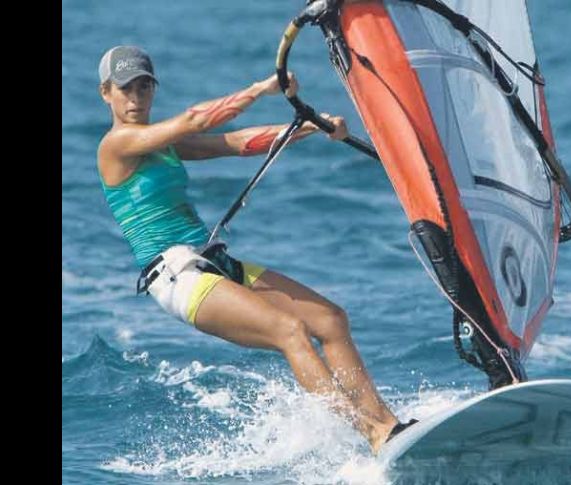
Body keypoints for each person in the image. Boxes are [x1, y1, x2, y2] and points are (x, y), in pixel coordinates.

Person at [97, 45, 415, 452]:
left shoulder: (161, 143)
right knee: (290, 330)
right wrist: (261, 88)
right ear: (106, 93)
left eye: (144, 87)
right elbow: (195, 118)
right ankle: (369, 432)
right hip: (177, 277)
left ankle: (388, 427)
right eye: (125, 89)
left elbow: (237, 142)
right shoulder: (117, 144)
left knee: (331, 320)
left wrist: (312, 127)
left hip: (213, 262)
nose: (136, 98)